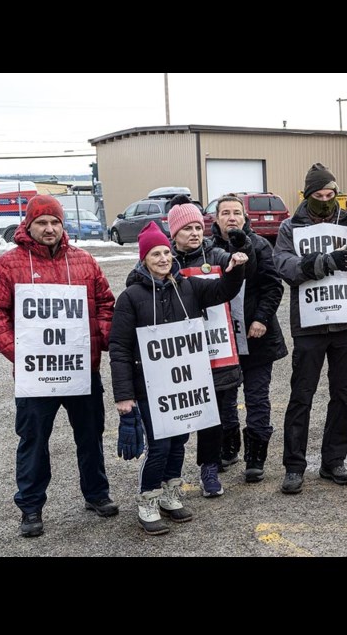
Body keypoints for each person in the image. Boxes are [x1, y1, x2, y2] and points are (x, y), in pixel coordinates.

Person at [0, 195, 118, 538]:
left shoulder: (84, 262)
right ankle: (30, 506)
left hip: (82, 370)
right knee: (33, 440)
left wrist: (93, 342)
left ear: (62, 225)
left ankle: (96, 494)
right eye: (42, 222)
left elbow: (106, 306)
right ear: (29, 226)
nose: (50, 228)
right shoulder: (7, 265)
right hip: (35, 376)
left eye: (55, 222)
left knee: (90, 436)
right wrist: (21, 352)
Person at [109, 221, 248, 535]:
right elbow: (118, 346)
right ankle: (148, 500)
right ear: (144, 259)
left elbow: (223, 290)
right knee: (159, 446)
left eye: (166, 253)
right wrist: (123, 395)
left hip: (184, 383)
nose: (162, 258)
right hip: (149, 385)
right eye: (155, 254)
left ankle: (170, 494)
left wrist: (236, 268)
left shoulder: (188, 286)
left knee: (179, 443)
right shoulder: (130, 297)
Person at [272, 163, 347, 494]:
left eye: (332, 195)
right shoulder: (290, 227)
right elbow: (285, 266)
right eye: (320, 195)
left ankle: (333, 461)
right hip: (310, 324)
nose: (327, 201)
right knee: (302, 395)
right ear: (307, 195)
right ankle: (294, 466)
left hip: (346, 320)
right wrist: (324, 262)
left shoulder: (345, 220)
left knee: (342, 395)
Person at [165, 196, 254, 498]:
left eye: (197, 227)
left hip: (217, 351)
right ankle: (169, 477)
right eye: (186, 228)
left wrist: (237, 261)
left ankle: (209, 468)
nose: (193, 233)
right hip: (177, 355)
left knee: (212, 416)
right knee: (176, 418)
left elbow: (230, 285)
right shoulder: (163, 259)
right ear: (173, 233)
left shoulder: (216, 255)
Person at [210, 194, 288, 483]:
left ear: (245, 218)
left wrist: (261, 319)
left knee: (257, 398)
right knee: (225, 399)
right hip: (221, 341)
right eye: (225, 213)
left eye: (236, 213)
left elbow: (272, 286)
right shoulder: (209, 250)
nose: (231, 217)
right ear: (216, 219)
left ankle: (255, 457)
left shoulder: (260, 245)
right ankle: (228, 448)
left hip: (256, 337)